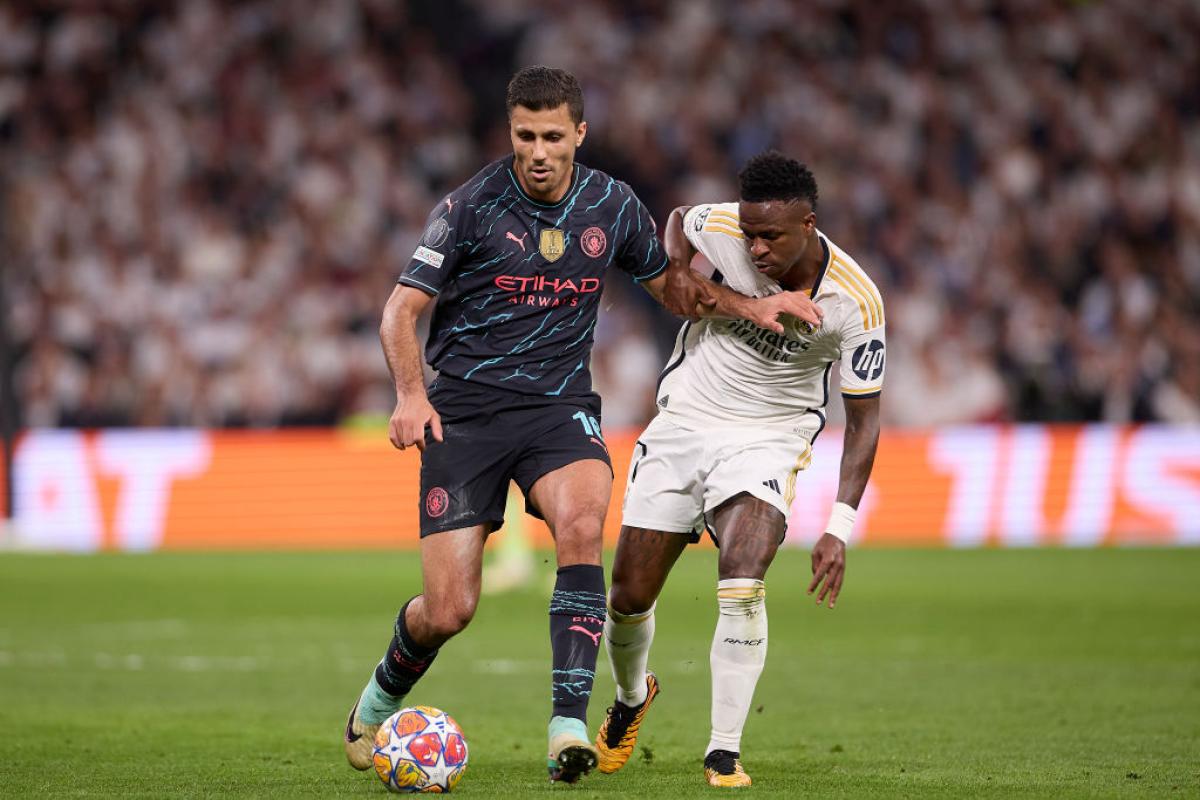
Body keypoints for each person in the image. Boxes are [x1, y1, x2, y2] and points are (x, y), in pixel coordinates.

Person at [343, 69, 822, 784]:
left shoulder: (612, 204)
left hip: (556, 411)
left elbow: (673, 287)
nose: (538, 151)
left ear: (579, 134)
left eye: (552, 136)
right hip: (465, 415)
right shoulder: (470, 206)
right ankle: (377, 700)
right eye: (525, 136)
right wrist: (412, 395)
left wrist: (747, 307)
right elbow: (398, 312)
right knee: (448, 610)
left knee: (581, 520)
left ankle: (569, 723)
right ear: (511, 133)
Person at [593, 151, 885, 788]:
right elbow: (678, 220)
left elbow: (863, 422)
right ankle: (632, 696)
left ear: (809, 223)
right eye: (748, 232)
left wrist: (839, 526)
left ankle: (723, 750)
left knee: (743, 574)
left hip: (768, 439)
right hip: (684, 421)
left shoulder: (856, 303)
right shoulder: (725, 226)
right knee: (628, 598)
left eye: (770, 236)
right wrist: (676, 269)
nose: (754, 247)